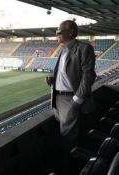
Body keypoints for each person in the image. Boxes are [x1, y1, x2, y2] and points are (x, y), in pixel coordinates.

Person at [45, 20, 96, 166]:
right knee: (65, 133)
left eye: (59, 32)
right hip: (58, 97)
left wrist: (76, 101)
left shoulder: (84, 48)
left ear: (71, 32)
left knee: (68, 137)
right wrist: (53, 80)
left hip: (70, 99)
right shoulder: (63, 50)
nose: (57, 35)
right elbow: (68, 74)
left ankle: (68, 165)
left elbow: (88, 76)